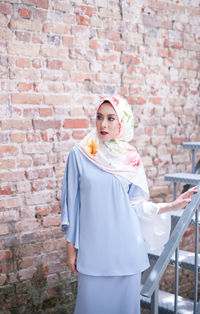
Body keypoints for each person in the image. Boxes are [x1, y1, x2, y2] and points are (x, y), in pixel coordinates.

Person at [61, 96, 196, 314]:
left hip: (126, 253)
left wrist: (171, 206)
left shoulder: (130, 158)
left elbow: (136, 207)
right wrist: (70, 248)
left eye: (111, 118)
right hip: (93, 254)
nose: (103, 124)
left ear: (123, 122)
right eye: (99, 117)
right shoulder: (80, 154)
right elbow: (70, 205)